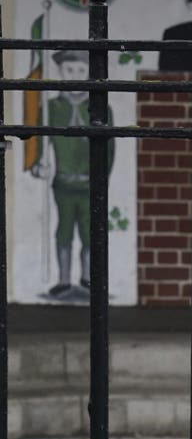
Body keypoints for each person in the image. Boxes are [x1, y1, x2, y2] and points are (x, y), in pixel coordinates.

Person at [28, 49, 113, 299]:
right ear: (61, 72)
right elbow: (41, 141)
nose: (75, 75)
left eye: (80, 70)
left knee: (89, 230)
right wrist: (38, 162)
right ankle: (63, 280)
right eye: (69, 70)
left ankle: (87, 277)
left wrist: (101, 175)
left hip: (90, 184)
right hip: (63, 183)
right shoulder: (52, 108)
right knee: (64, 229)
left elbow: (108, 148)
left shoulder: (100, 108)